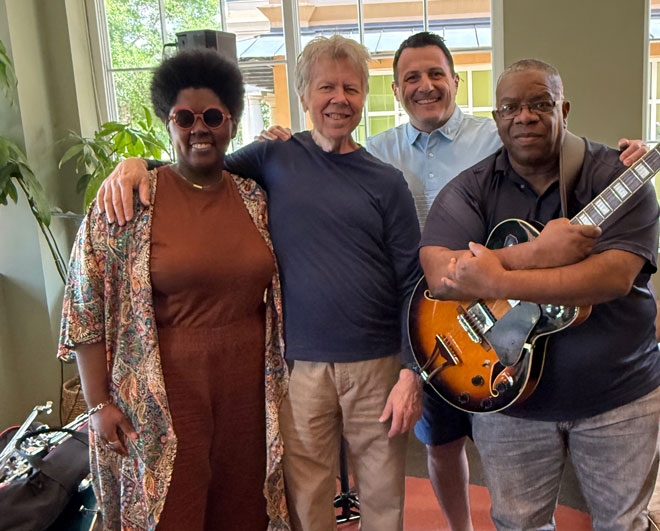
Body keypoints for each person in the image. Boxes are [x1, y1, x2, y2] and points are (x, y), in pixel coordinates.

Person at [261, 31, 648, 531]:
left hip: (509, 322)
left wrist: (627, 159)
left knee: (512, 477)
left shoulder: (498, 134)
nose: (425, 85)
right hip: (432, 321)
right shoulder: (377, 152)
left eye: (436, 74)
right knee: (441, 445)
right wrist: (280, 143)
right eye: (412, 78)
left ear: (456, 81)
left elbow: (553, 140)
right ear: (396, 91)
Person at [95, 35, 422, 531]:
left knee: (382, 495)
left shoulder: (387, 182)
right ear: (305, 95)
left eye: (351, 88)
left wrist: (411, 371)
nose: (339, 99)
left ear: (365, 96)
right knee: (306, 497)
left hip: (376, 364)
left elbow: (414, 281)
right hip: (298, 367)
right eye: (326, 87)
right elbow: (198, 164)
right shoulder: (273, 157)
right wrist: (136, 165)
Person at [419, 58, 660, 531]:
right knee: (519, 525)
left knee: (623, 525)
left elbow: (612, 277)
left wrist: (496, 279)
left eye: (540, 104)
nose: (524, 117)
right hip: (509, 397)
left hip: (621, 397)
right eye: (510, 107)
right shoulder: (474, 187)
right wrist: (539, 252)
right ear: (497, 117)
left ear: (563, 109)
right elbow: (439, 273)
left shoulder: (618, 175)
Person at [57, 49, 290, 530]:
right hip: (162, 394)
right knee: (172, 510)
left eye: (213, 117)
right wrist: (98, 403)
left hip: (248, 391)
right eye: (185, 118)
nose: (199, 128)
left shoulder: (255, 198)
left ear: (231, 122)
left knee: (244, 509)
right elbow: (84, 306)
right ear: (168, 122)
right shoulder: (127, 202)